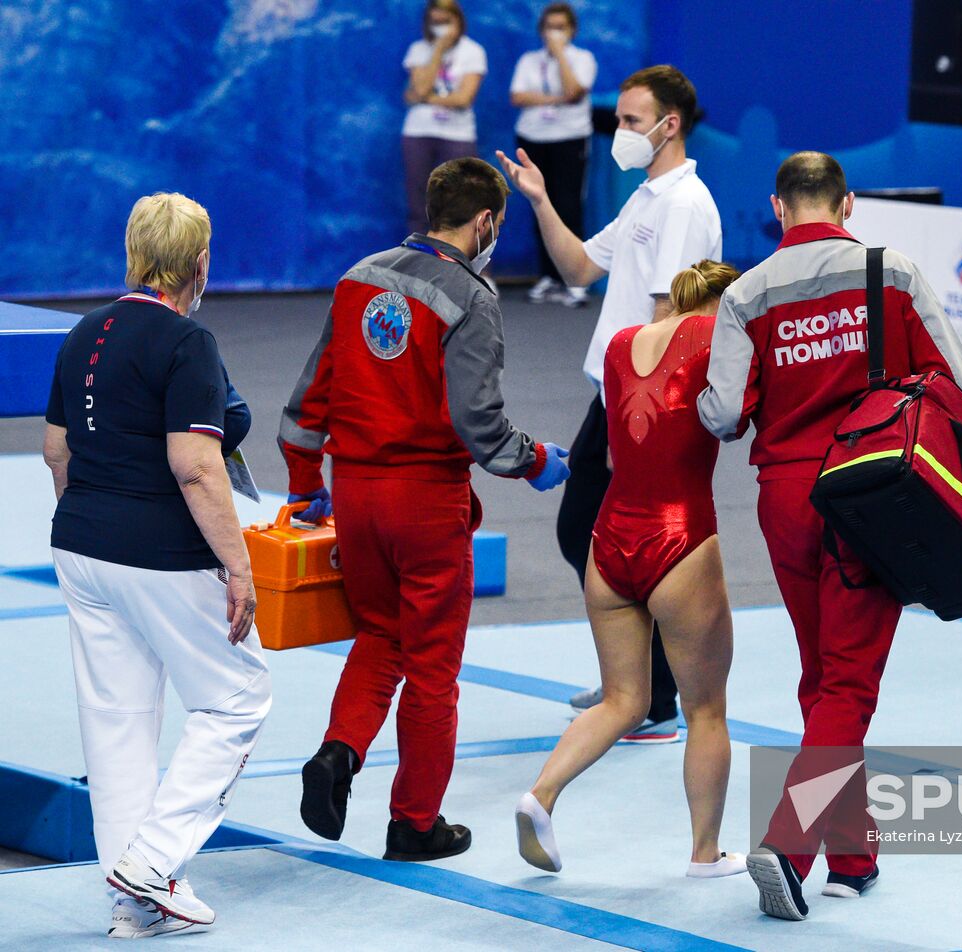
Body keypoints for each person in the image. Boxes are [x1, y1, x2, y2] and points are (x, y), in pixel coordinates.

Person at [697, 152, 962, 920]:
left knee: (824, 674)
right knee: (848, 682)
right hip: (874, 492)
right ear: (848, 204)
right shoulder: (894, 274)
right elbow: (960, 388)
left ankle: (853, 858)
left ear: (777, 207)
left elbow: (723, 417)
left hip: (786, 498)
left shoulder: (747, 293)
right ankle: (791, 849)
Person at [281, 157, 570, 862]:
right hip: (425, 503)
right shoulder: (471, 297)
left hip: (354, 494)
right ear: (484, 222)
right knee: (434, 668)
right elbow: (478, 422)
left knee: (379, 637)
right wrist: (534, 462)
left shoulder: (358, 277)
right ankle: (414, 823)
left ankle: (338, 755)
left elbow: (304, 404)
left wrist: (301, 483)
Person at [42, 192, 270, 936]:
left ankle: (131, 905)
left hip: (79, 545)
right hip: (158, 554)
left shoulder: (81, 333)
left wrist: (90, 523)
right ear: (199, 263)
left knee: (117, 722)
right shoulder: (186, 341)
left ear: (134, 254)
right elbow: (197, 466)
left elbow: (57, 451)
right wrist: (238, 566)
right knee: (236, 699)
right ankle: (153, 861)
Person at [497, 64, 721, 744]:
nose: (620, 132)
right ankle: (635, 684)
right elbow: (579, 269)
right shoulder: (646, 198)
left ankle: (650, 700)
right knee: (587, 536)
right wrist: (539, 199)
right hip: (616, 396)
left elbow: (667, 320)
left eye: (630, 121)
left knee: (616, 543)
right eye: (620, 119)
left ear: (668, 124)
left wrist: (637, 420)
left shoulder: (684, 206)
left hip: (644, 406)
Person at [515, 260, 747, 879]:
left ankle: (540, 794)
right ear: (725, 305)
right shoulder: (719, 339)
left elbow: (623, 441)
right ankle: (705, 855)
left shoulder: (620, 345)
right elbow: (738, 418)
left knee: (622, 698)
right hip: (681, 538)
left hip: (611, 539)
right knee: (705, 710)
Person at [510, 2, 597, 307]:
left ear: (571, 30)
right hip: (533, 137)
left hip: (570, 139)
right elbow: (517, 96)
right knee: (540, 205)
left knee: (569, 206)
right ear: (541, 30)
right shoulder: (529, 60)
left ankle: (574, 280)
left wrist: (559, 54)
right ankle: (548, 275)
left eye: (561, 27)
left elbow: (575, 92)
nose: (554, 33)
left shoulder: (583, 58)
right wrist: (556, 98)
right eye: (550, 27)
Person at [402, 0, 488, 234]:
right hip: (418, 133)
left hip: (457, 134)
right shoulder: (418, 50)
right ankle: (420, 263)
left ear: (458, 21)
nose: (441, 27)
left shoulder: (473, 51)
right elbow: (418, 90)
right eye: (435, 22)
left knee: (465, 199)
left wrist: (423, 98)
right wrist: (438, 49)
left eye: (446, 22)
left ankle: (472, 264)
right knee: (420, 200)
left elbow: (463, 99)